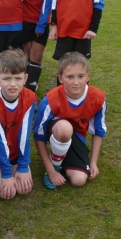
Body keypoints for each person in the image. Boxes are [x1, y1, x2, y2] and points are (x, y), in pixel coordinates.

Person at [33, 52, 107, 190]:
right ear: (60, 78)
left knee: (79, 180)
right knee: (64, 129)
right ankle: (55, 166)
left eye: (81, 76)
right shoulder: (50, 100)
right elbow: (39, 136)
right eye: (70, 77)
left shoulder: (98, 98)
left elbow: (99, 131)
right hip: (57, 132)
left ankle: (63, 159)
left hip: (77, 137)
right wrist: (51, 171)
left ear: (88, 76)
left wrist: (93, 162)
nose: (76, 82)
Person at [0, 49, 37, 199]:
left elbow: (24, 135)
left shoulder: (30, 98)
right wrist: (6, 173)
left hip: (15, 152)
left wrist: (22, 166)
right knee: (7, 193)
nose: (13, 84)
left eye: (18, 78)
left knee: (23, 189)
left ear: (25, 78)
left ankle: (12, 167)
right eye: (7, 78)